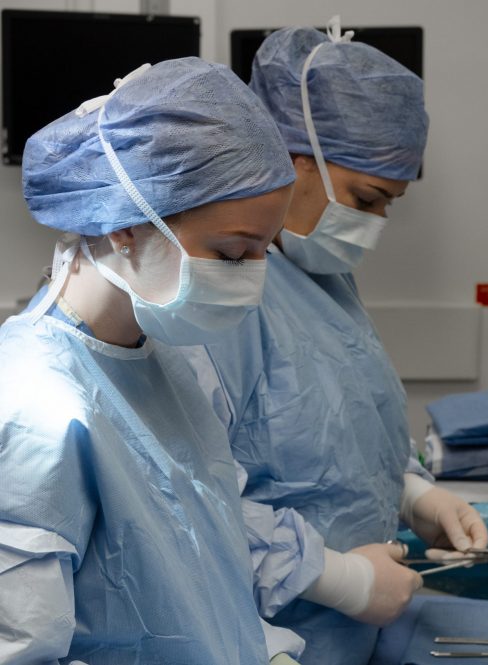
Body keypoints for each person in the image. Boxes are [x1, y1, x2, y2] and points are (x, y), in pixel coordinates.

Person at [185, 20, 488, 665]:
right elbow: (178, 494)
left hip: (346, 638)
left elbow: (338, 432)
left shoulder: (321, 277)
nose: (375, 224)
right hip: (262, 639)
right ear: (293, 161)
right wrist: (337, 579)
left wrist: (414, 495)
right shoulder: (219, 295)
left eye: (390, 204)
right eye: (367, 197)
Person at [0, 58, 303, 665]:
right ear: (127, 229)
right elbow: (21, 649)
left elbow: (202, 573)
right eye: (232, 252)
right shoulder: (36, 405)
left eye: (264, 251)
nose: (252, 280)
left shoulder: (172, 365)